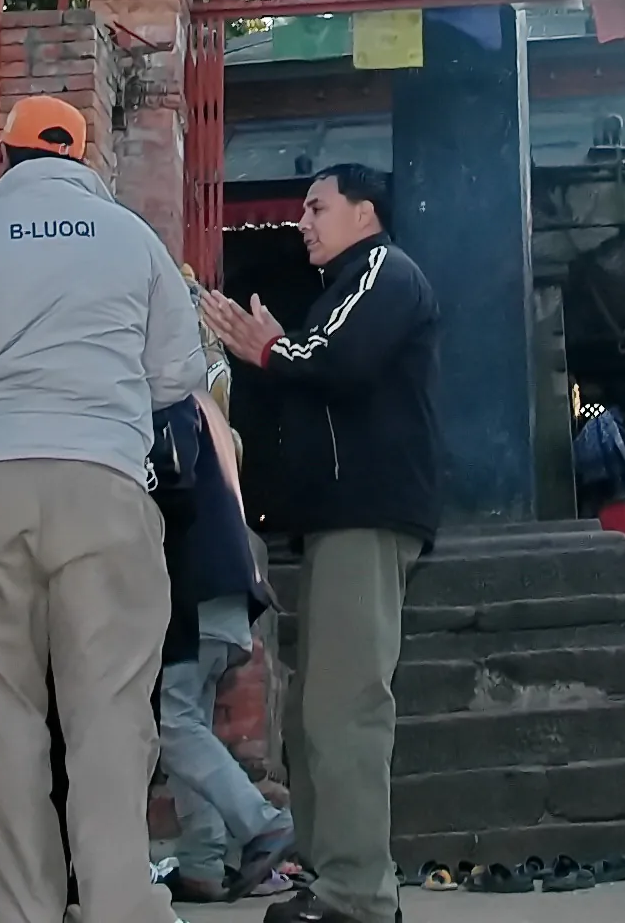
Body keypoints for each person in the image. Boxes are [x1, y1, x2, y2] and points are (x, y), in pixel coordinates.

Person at [0, 94, 206, 923]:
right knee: (109, 722)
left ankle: (20, 912)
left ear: (2, 160)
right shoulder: (134, 242)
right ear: (82, 159)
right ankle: (119, 907)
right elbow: (178, 372)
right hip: (103, 486)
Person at [198, 165, 439, 923]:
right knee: (314, 715)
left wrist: (269, 349)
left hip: (369, 512)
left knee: (347, 708)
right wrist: (258, 353)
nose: (302, 219)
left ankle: (359, 895)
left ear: (365, 213)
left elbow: (337, 359)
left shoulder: (382, 271)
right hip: (338, 518)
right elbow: (308, 367)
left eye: (317, 206)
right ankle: (333, 877)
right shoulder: (346, 283)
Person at [152, 392, 294, 906]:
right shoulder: (204, 411)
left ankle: (264, 824)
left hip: (194, 589)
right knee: (194, 723)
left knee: (174, 726)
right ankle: (201, 865)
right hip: (232, 587)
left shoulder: (163, 407)